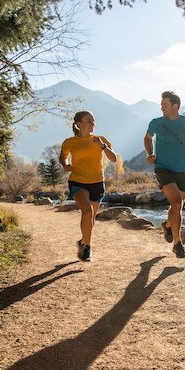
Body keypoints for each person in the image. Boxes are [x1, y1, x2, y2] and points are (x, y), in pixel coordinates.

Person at [144, 91, 185, 258]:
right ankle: (178, 244)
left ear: (176, 106)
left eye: (165, 105)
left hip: (182, 170)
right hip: (163, 168)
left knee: (177, 207)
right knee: (176, 203)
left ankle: (168, 225)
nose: (162, 107)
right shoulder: (156, 123)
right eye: (161, 105)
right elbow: (147, 138)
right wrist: (150, 153)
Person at [60, 110, 117, 262]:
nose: (93, 123)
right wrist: (65, 165)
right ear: (79, 125)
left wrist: (103, 146)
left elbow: (113, 158)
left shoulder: (100, 139)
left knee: (91, 218)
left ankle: (83, 243)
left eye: (93, 120)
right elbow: (63, 156)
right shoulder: (70, 142)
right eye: (89, 121)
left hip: (97, 183)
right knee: (87, 211)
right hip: (78, 182)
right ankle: (87, 248)